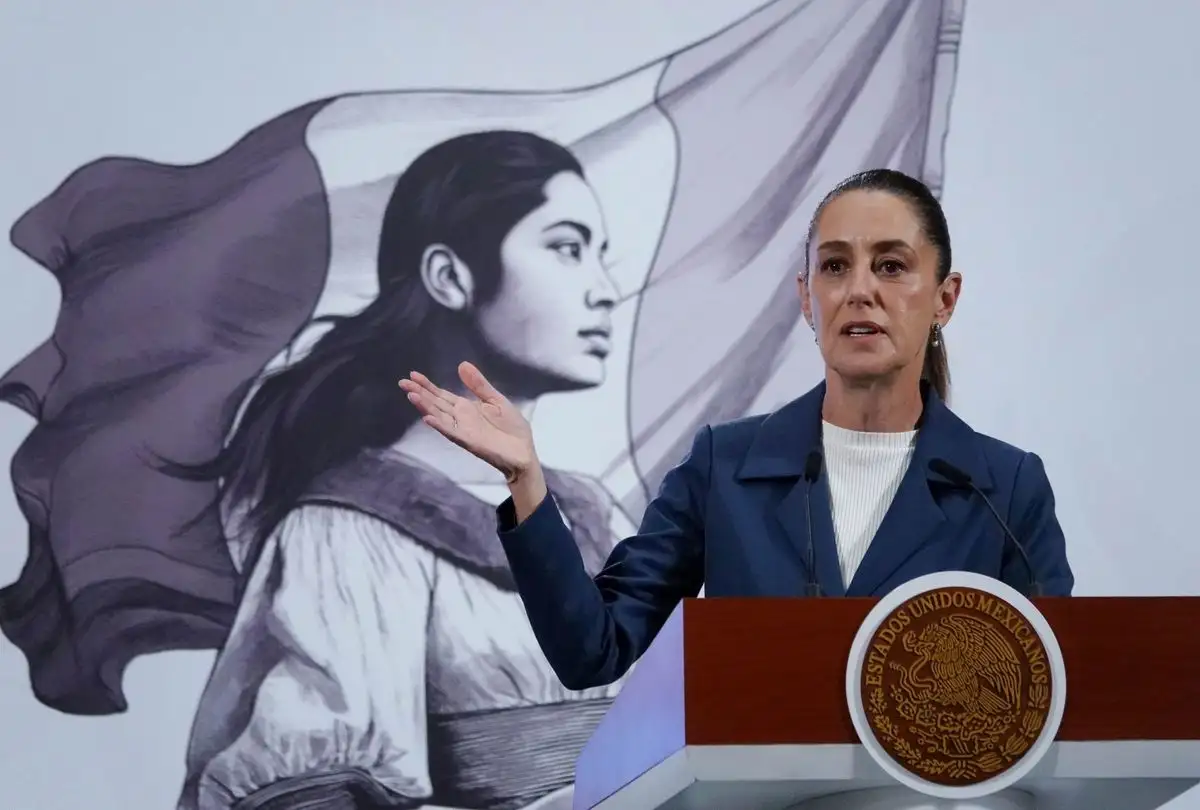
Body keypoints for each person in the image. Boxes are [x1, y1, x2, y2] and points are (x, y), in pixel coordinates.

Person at [401, 168, 1075, 694]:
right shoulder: (727, 466)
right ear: (806, 299)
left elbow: (1053, 695)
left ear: (944, 299)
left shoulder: (1004, 488)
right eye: (835, 266)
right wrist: (527, 482)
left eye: (892, 265)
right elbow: (593, 651)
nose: (860, 290)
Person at [175, 131, 630, 810]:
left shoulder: (597, 514)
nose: (606, 290)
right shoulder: (346, 534)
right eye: (567, 249)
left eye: (603, 257)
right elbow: (316, 794)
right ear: (450, 277)